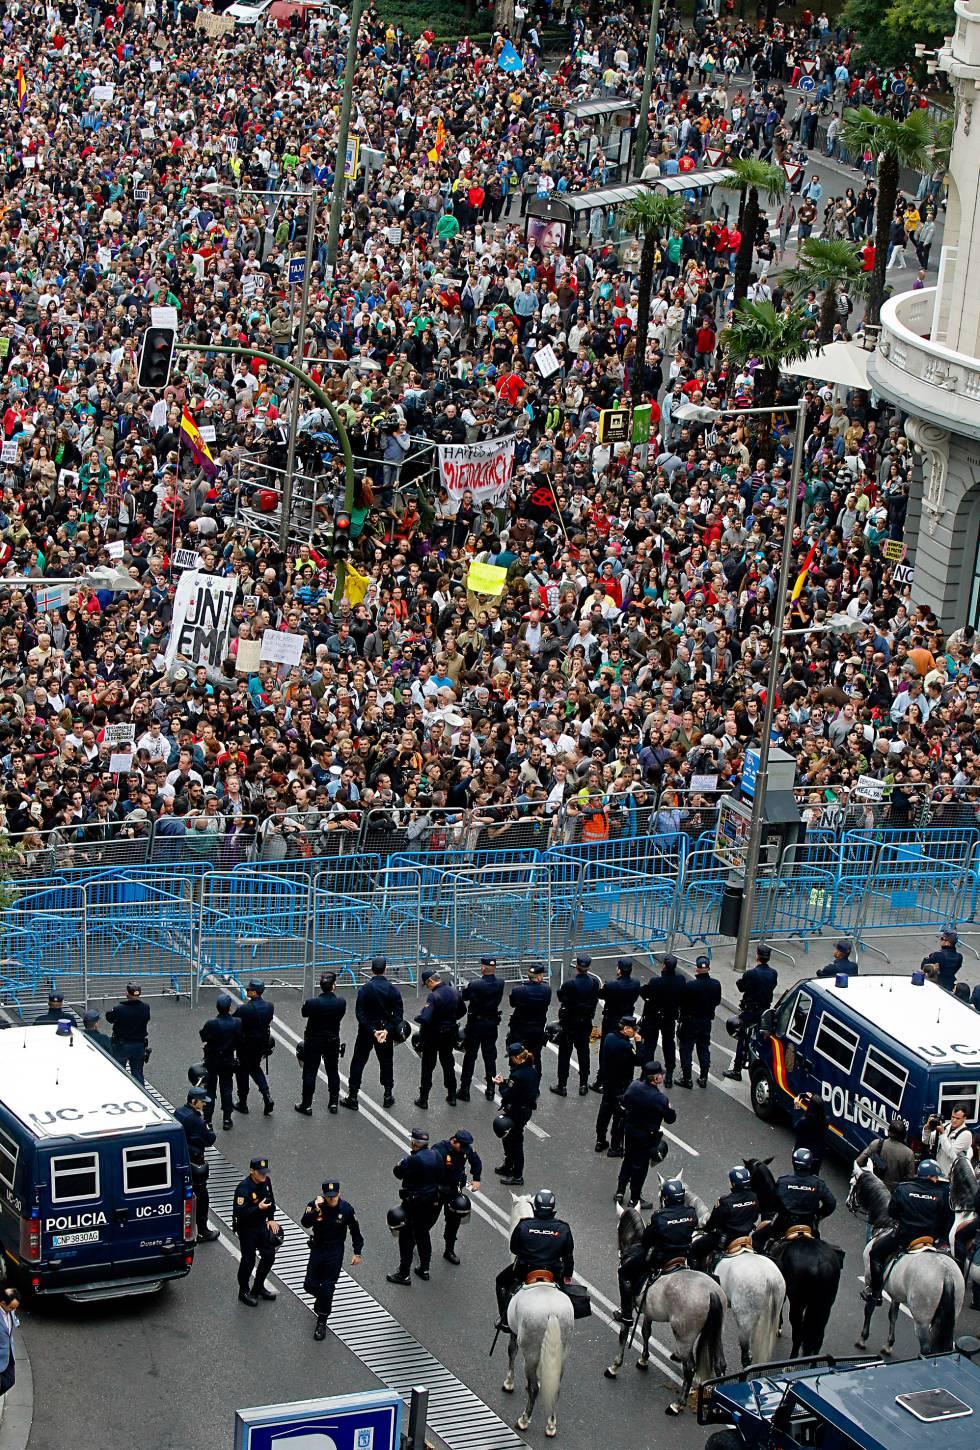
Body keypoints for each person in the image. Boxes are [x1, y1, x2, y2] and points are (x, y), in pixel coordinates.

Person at [864, 1159, 953, 1305]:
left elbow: (892, 1213)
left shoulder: (903, 1189)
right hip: (931, 1239)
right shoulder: (942, 1193)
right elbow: (946, 1220)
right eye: (936, 1176)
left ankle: (876, 1294)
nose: (937, 1179)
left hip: (905, 1237)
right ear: (930, 1176)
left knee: (875, 1253)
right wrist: (939, 1238)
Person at [615, 1179, 697, 1324]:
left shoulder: (660, 1217)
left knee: (624, 1272)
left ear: (665, 1198)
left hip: (662, 1258)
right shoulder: (691, 1212)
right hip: (684, 1255)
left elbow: (646, 1240)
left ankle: (626, 1314)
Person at [495, 1189, 574, 1329]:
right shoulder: (563, 1228)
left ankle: (505, 1320)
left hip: (526, 1271)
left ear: (535, 1206)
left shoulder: (524, 1225)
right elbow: (568, 1256)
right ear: (553, 1207)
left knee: (501, 1282)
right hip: (553, 1273)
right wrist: (567, 1275)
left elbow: (514, 1249)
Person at [301, 1179, 364, 1340]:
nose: (332, 1200)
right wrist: (315, 1210)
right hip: (318, 1247)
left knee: (328, 1287)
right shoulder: (315, 1206)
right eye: (328, 1197)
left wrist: (357, 1252)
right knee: (309, 1284)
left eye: (334, 1197)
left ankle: (322, 1321)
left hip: (335, 1250)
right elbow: (305, 1222)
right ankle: (322, 1299)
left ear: (339, 1194)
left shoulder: (346, 1209)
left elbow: (355, 1231)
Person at [342, 958, 404, 1111]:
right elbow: (398, 1015)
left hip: (366, 1031)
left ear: (372, 969)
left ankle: (353, 1095)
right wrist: (386, 1030)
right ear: (385, 969)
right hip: (385, 1031)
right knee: (386, 1062)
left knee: (358, 1062)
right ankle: (388, 1094)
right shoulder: (393, 990)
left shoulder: (365, 989)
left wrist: (372, 1030)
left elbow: (360, 1013)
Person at [616, 1061, 676, 1209]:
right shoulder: (660, 1099)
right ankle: (635, 1198)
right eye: (660, 1074)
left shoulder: (634, 1086)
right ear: (655, 1078)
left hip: (630, 1130)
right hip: (646, 1136)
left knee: (628, 1160)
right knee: (640, 1166)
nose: (662, 1076)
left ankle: (620, 1190)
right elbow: (670, 1118)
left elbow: (624, 1100)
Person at [386, 1127, 442, 1286]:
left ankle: (404, 1274)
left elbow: (398, 1172)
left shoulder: (412, 1160)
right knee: (423, 1234)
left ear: (414, 1143)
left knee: (406, 1237)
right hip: (431, 1201)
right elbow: (440, 1174)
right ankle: (424, 1269)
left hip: (414, 1202)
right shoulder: (436, 1155)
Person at [233, 1156, 282, 1306]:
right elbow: (239, 1213)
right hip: (247, 1228)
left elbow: (270, 1200)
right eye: (260, 1173)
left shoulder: (266, 1182)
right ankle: (244, 1291)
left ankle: (258, 1286)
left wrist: (271, 1218)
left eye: (265, 1172)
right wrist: (257, 1208)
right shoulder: (243, 1189)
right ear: (251, 1171)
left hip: (261, 1225)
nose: (264, 1175)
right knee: (248, 1261)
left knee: (269, 1255)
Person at [295, 972, 346, 1116]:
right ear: (333, 986)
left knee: (310, 1072)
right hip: (332, 1040)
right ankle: (334, 1102)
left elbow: (304, 1013)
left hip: (314, 1041)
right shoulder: (340, 1002)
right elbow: (339, 1016)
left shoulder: (313, 1003)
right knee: (332, 1070)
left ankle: (307, 1104)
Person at [725, 945, 777, 1081]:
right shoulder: (773, 973)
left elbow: (741, 987)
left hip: (750, 1012)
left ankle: (737, 1069)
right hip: (764, 1011)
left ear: (757, 956)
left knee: (742, 1038)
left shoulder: (751, 974)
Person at [414, 967, 465, 1109]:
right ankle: (452, 1095)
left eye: (427, 984)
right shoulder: (454, 991)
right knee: (448, 1063)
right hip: (449, 1034)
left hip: (432, 1036)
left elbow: (425, 1018)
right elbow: (462, 1010)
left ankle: (423, 1099)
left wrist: (418, 1017)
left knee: (428, 1067)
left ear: (430, 981)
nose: (428, 987)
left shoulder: (433, 996)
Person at [175, 1086, 220, 1243]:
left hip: (181, 1159)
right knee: (201, 1197)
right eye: (202, 1102)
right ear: (194, 1102)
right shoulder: (196, 1120)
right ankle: (202, 1231)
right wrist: (207, 1125)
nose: (204, 1104)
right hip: (195, 1161)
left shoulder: (179, 1112)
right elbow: (210, 1139)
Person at [432, 1128, 482, 1265]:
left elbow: (476, 1162)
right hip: (438, 1190)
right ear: (454, 1140)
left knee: (453, 1222)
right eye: (462, 1146)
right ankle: (415, 1240)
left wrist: (477, 1178)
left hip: (453, 1190)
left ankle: (449, 1250)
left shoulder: (466, 1150)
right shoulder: (439, 1150)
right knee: (429, 1219)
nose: (465, 1150)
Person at [552, 953, 600, 1096]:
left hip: (569, 1022)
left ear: (577, 966)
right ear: (589, 967)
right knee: (583, 1052)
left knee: (565, 1054)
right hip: (585, 1022)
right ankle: (583, 1084)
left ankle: (562, 1085)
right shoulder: (594, 983)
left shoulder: (569, 984)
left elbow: (561, 997)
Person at [458, 956, 504, 1103]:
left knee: (470, 1056)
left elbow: (464, 997)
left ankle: (464, 1089)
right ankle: (491, 1089)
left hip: (476, 1025)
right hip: (491, 1024)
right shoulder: (500, 983)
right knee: (490, 1057)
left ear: (483, 968)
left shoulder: (476, 984)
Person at [591, 959, 641, 1089]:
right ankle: (624, 1079)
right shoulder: (636, 983)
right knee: (625, 1049)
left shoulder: (612, 985)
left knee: (606, 1050)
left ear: (619, 970)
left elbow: (600, 995)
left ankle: (601, 1080)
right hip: (627, 1020)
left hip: (612, 1020)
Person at [594, 1016, 641, 1157]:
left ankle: (600, 1140)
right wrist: (639, 1044)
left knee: (604, 1112)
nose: (635, 1033)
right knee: (620, 1116)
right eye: (633, 1030)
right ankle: (615, 1146)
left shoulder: (609, 1037)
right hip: (621, 1085)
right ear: (626, 1029)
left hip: (608, 1083)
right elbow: (639, 1060)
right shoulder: (626, 1046)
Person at [494, 1042, 540, 1186]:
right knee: (508, 1139)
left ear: (517, 1058)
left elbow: (509, 1093)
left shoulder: (518, 1074)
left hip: (517, 1111)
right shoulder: (531, 1070)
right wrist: (506, 1082)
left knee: (515, 1142)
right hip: (524, 1109)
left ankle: (517, 1175)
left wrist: (501, 1084)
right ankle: (508, 1166)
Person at [638, 954, 685, 1088]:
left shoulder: (656, 982)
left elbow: (644, 992)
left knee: (650, 1045)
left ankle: (647, 1073)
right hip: (669, 1017)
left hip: (654, 1017)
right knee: (668, 1044)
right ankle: (669, 1073)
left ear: (664, 966)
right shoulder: (680, 980)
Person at [771, 1147, 837, 1240]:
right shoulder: (818, 1183)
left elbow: (773, 1201)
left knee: (760, 1238)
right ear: (810, 1164)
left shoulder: (783, 1181)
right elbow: (831, 1203)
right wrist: (818, 1215)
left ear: (793, 1163)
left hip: (784, 1225)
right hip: (808, 1225)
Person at [699, 1167, 760, 1264]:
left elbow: (714, 1223)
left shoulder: (725, 1201)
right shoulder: (755, 1197)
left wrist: (706, 1229)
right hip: (747, 1237)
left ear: (734, 1183)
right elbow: (755, 1217)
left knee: (694, 1250)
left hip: (726, 1240)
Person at [200, 993, 243, 1130]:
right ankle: (227, 1118)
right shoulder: (237, 1022)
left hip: (212, 1059)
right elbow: (239, 1039)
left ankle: (208, 1120)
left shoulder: (211, 1023)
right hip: (228, 1059)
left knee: (210, 1090)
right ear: (229, 1007)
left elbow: (203, 1037)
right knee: (227, 1089)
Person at [678, 955, 721, 1089]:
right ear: (708, 968)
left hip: (690, 1022)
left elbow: (682, 1003)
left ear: (696, 969)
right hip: (706, 1021)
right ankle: (703, 1077)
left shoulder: (691, 985)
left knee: (686, 1050)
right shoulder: (715, 984)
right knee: (703, 1049)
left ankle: (687, 1079)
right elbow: (717, 1001)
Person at [233, 980, 274, 1117]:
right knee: (255, 1068)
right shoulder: (269, 1006)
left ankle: (243, 1103)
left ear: (254, 992)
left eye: (249, 989)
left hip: (245, 1046)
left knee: (242, 1072)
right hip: (260, 1045)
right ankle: (267, 1095)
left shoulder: (244, 1009)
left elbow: (235, 1023)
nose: (247, 990)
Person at [506, 963, 551, 1077]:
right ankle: (535, 1086)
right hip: (537, 1030)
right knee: (536, 1058)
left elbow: (512, 1004)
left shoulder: (518, 990)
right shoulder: (547, 990)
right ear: (540, 977)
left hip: (520, 1031)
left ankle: (516, 1082)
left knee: (517, 1056)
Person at [855, 1114, 916, 1191]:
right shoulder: (909, 1154)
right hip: (895, 1192)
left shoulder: (876, 1144)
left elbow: (859, 1162)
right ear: (904, 1135)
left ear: (888, 1132)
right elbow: (910, 1179)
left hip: (874, 1189)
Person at [105, 982, 150, 1081]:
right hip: (139, 1045)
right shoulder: (146, 1008)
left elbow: (110, 1018)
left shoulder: (119, 1009)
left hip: (121, 1045)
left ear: (127, 994)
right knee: (138, 1074)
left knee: (119, 1074)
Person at [923, 1102, 974, 1176]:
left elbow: (951, 1153)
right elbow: (926, 1141)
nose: (954, 1120)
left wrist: (942, 1134)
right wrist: (927, 1128)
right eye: (952, 1117)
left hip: (952, 1176)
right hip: (938, 1172)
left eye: (957, 1118)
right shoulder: (945, 1126)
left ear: (964, 1119)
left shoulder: (966, 1134)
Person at [792, 1092, 829, 1173]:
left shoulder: (804, 1121)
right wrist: (814, 1100)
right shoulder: (825, 1121)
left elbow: (796, 1126)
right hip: (817, 1155)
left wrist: (797, 1106)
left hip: (802, 1153)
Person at [0, 1287, 21, 1399]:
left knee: (10, 1381)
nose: (13, 1310)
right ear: (3, 1302)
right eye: (11, 1308)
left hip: (8, 1355)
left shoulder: (11, 1310)